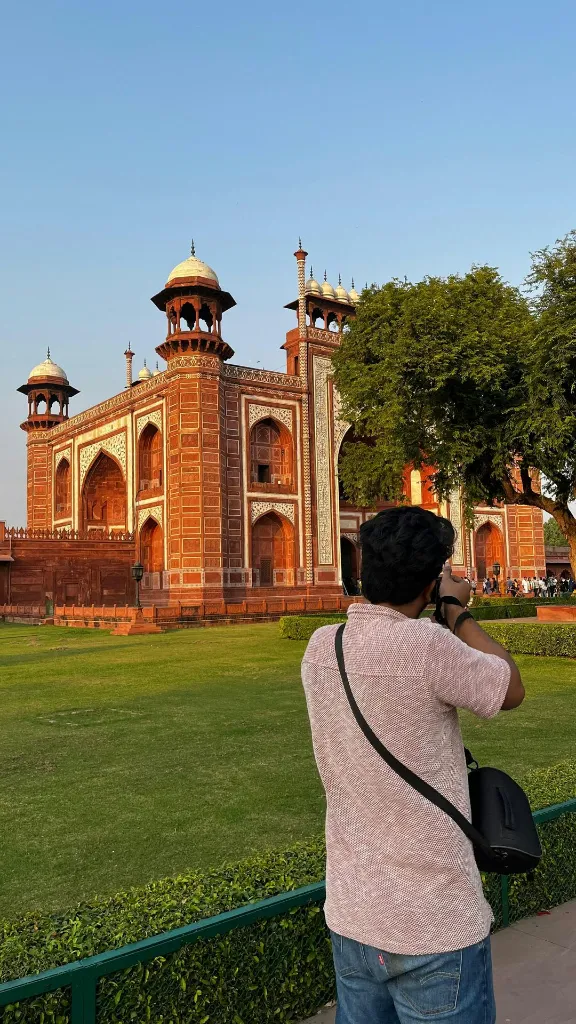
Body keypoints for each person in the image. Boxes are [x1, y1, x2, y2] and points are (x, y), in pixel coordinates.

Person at [301, 506, 524, 1024]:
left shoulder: (322, 647)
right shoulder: (428, 647)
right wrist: (456, 611)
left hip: (355, 915)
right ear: (429, 583)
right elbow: (510, 687)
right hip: (434, 922)